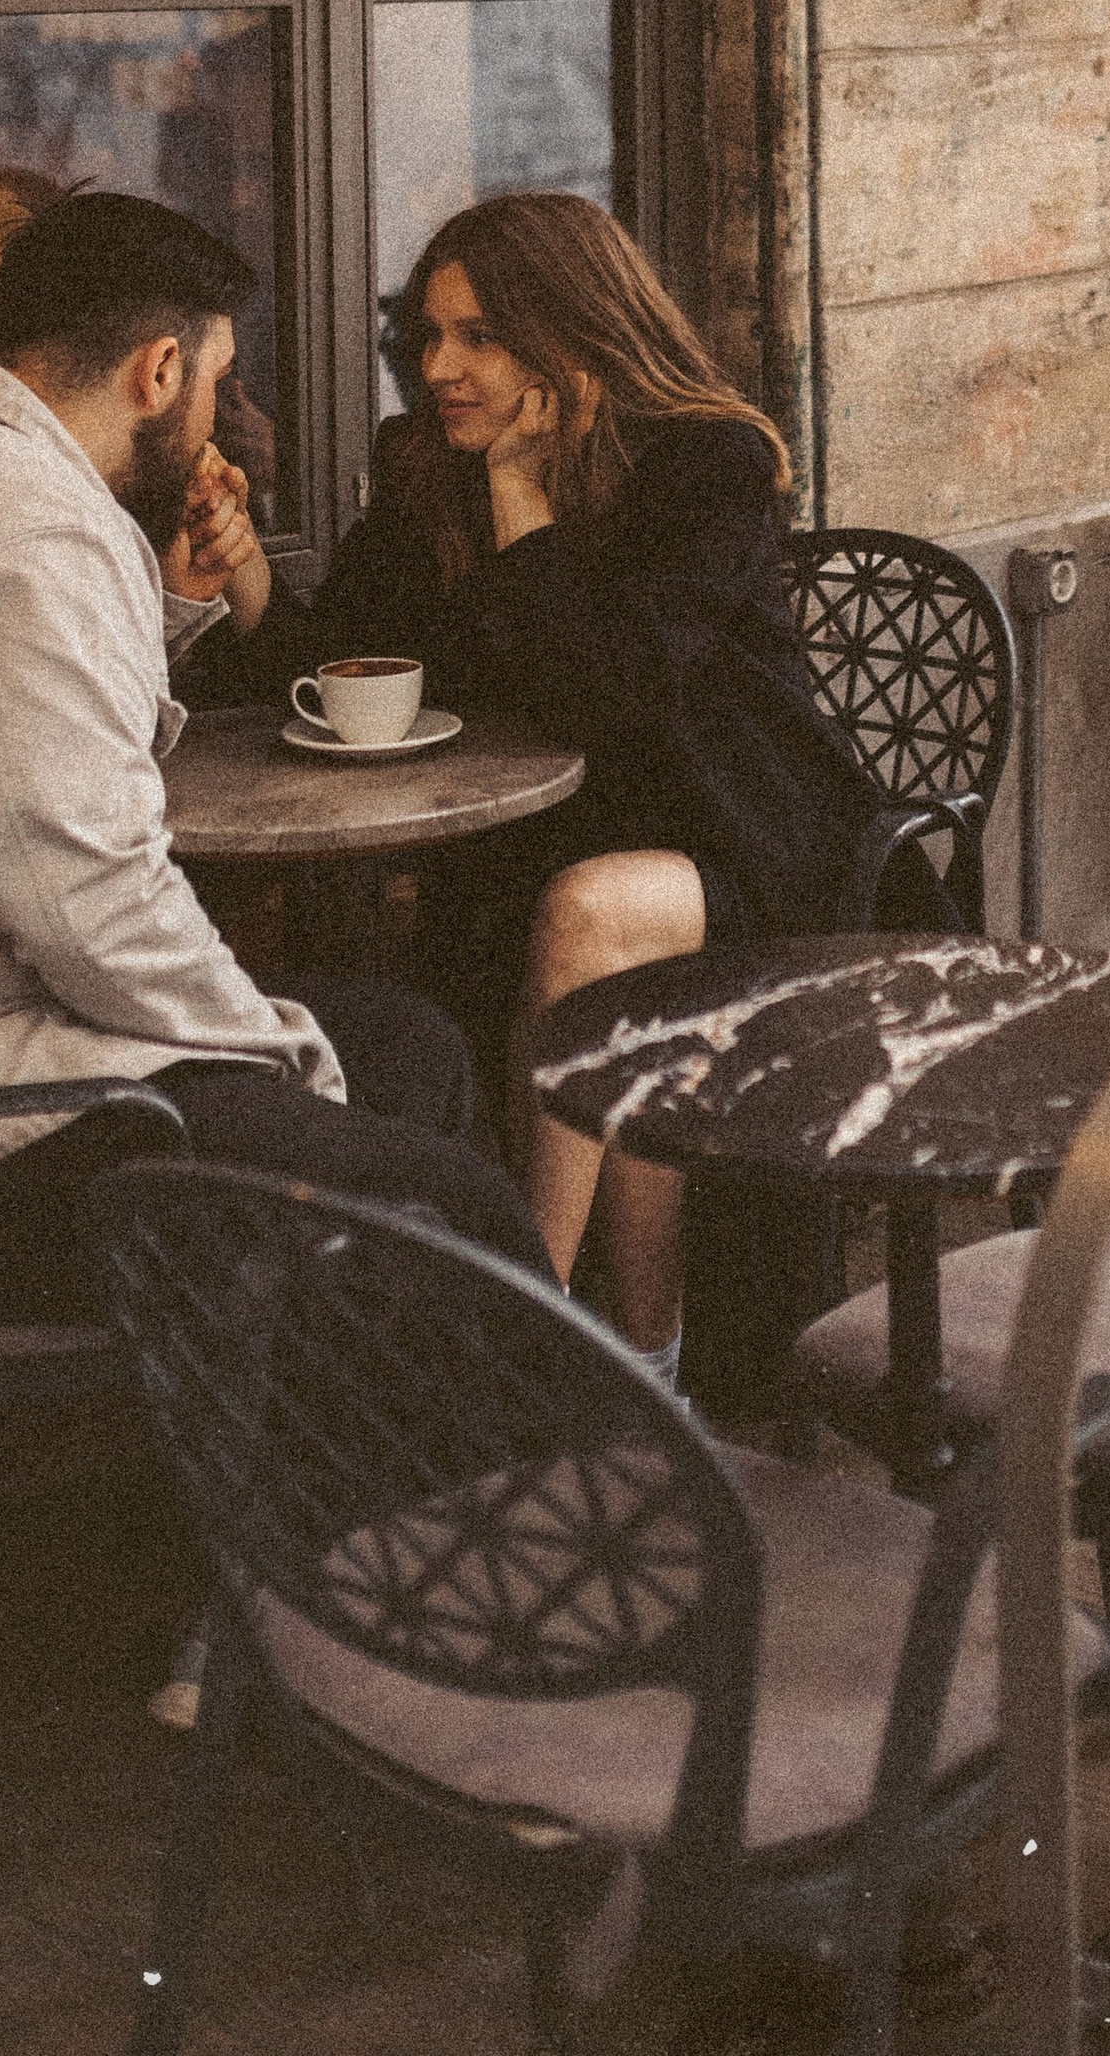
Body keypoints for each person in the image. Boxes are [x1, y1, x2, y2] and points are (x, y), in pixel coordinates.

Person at [0, 188, 544, 1332]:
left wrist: (169, 607)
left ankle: (270, 1468)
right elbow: (84, 895)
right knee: (457, 1202)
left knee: (407, 1048)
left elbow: (9, 735)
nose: (227, 419)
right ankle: (540, 1494)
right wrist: (284, 1062)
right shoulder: (27, 519)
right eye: (221, 384)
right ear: (159, 369)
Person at [199, 191, 874, 1372]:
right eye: (429, 336)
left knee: (588, 915)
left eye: (478, 336)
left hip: (739, 834)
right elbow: (351, 661)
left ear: (570, 335)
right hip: (538, 836)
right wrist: (247, 573)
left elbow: (613, 693)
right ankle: (642, 1354)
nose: (440, 366)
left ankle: (520, 1324)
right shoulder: (425, 468)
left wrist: (521, 503)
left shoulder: (707, 462)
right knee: (607, 985)